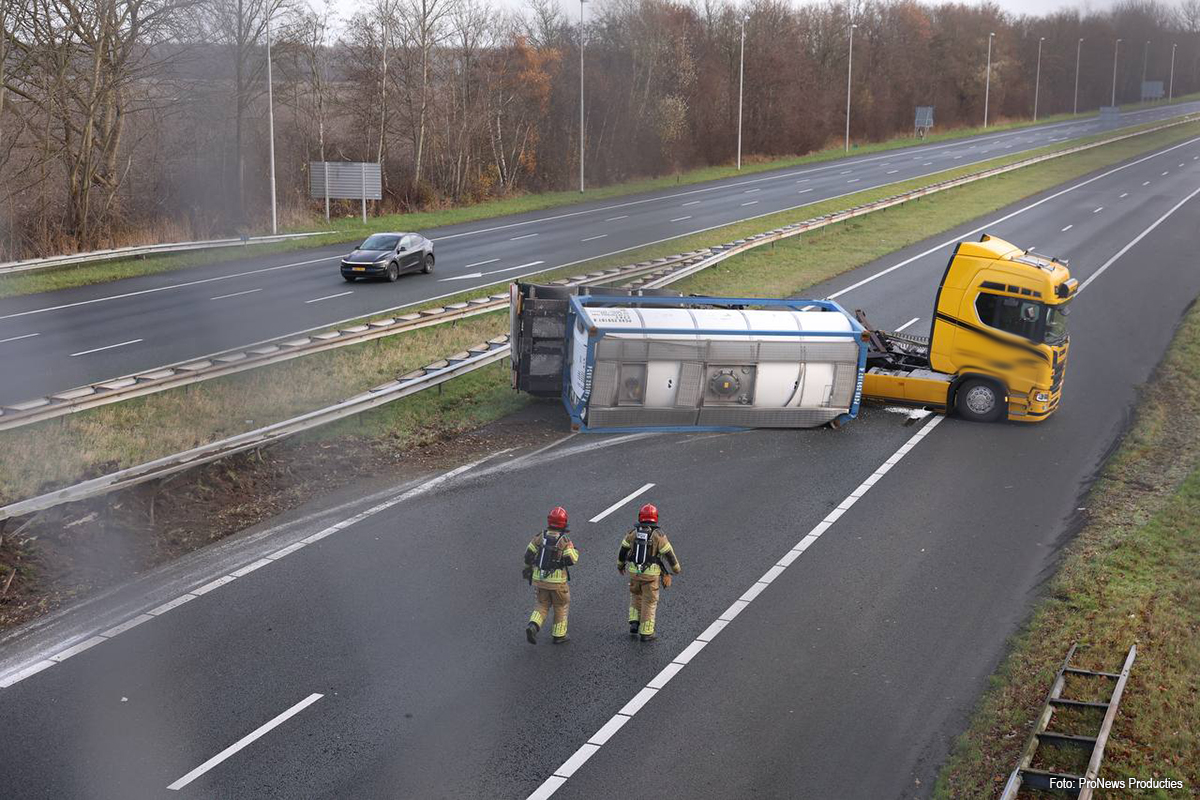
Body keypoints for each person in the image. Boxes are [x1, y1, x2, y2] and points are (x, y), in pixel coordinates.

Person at [617, 503, 681, 642]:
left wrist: (620, 565)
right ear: (655, 518)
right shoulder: (659, 535)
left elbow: (623, 550)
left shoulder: (632, 533)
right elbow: (669, 554)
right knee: (649, 601)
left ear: (640, 517)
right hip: (651, 576)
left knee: (635, 595)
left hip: (634, 572)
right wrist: (676, 569)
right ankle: (647, 632)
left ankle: (634, 622)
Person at [523, 506, 579, 645]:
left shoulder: (540, 536)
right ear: (564, 522)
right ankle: (559, 635)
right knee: (561, 605)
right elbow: (571, 560)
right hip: (558, 582)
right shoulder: (564, 540)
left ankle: (533, 625)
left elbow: (528, 554)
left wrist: (527, 568)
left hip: (539, 579)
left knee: (541, 605)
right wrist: (575, 551)